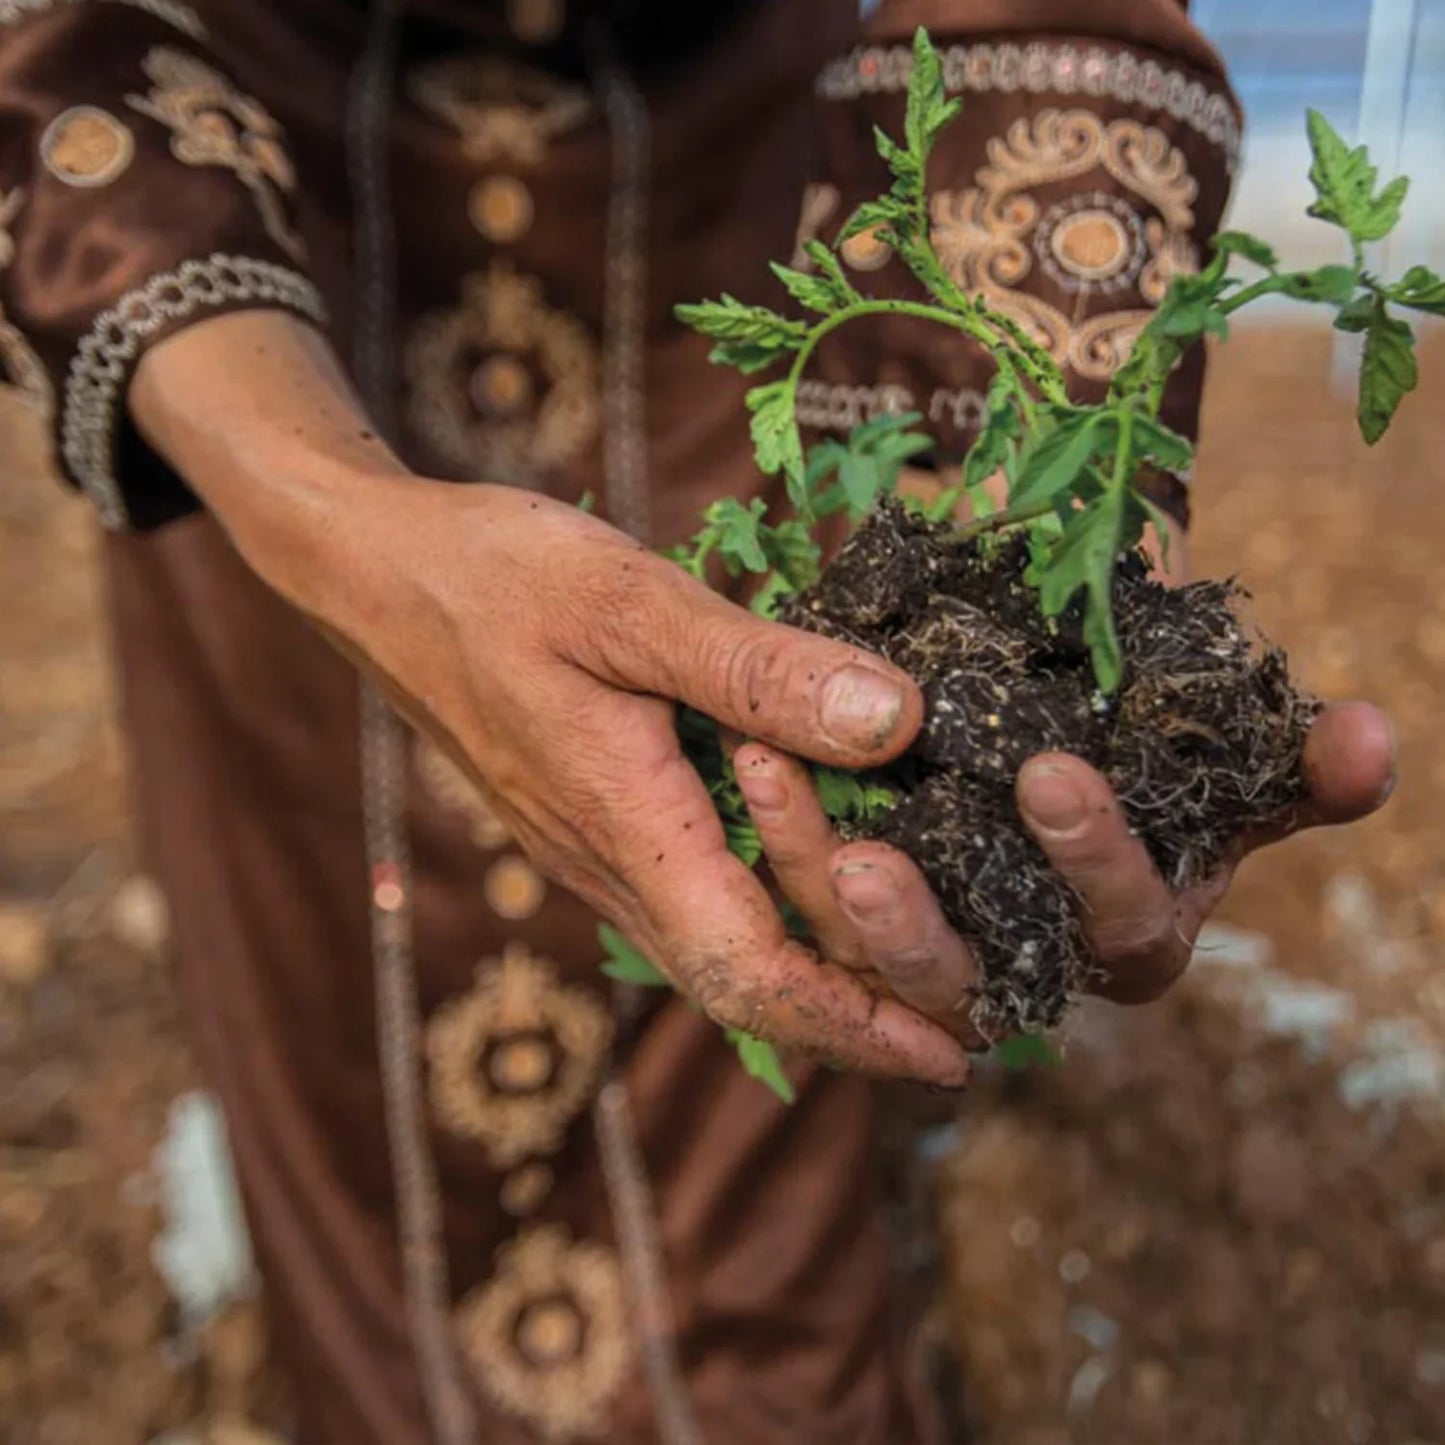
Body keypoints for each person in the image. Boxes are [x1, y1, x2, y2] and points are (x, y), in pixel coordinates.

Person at [0, 0, 1395, 1440]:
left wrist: (1043, 400)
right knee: (347, 990)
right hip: (254, 220)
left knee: (758, 907)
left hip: (729, 186)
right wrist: (320, 504)